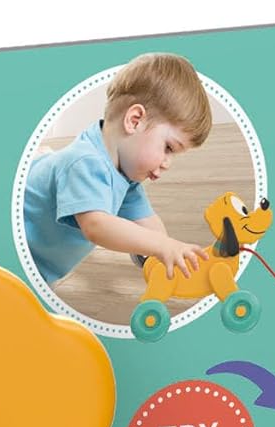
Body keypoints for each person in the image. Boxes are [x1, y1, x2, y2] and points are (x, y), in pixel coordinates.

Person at [23, 53, 214, 288]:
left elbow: (147, 222)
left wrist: (169, 255)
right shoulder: (84, 161)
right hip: (17, 250)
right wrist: (162, 247)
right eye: (168, 148)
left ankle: (41, 158)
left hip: (42, 267)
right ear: (135, 120)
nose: (167, 163)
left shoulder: (126, 176)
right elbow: (97, 226)